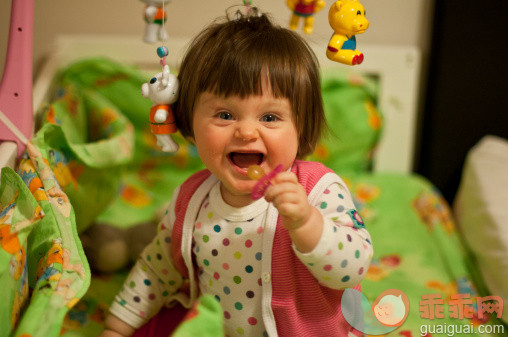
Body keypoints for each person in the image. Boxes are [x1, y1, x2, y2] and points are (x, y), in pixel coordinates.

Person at [101, 9, 373, 337]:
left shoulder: (317, 190)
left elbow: (351, 270)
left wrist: (307, 223)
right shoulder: (191, 201)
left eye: (270, 118)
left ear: (302, 128)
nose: (246, 131)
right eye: (225, 114)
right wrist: (117, 328)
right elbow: (156, 270)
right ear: (190, 124)